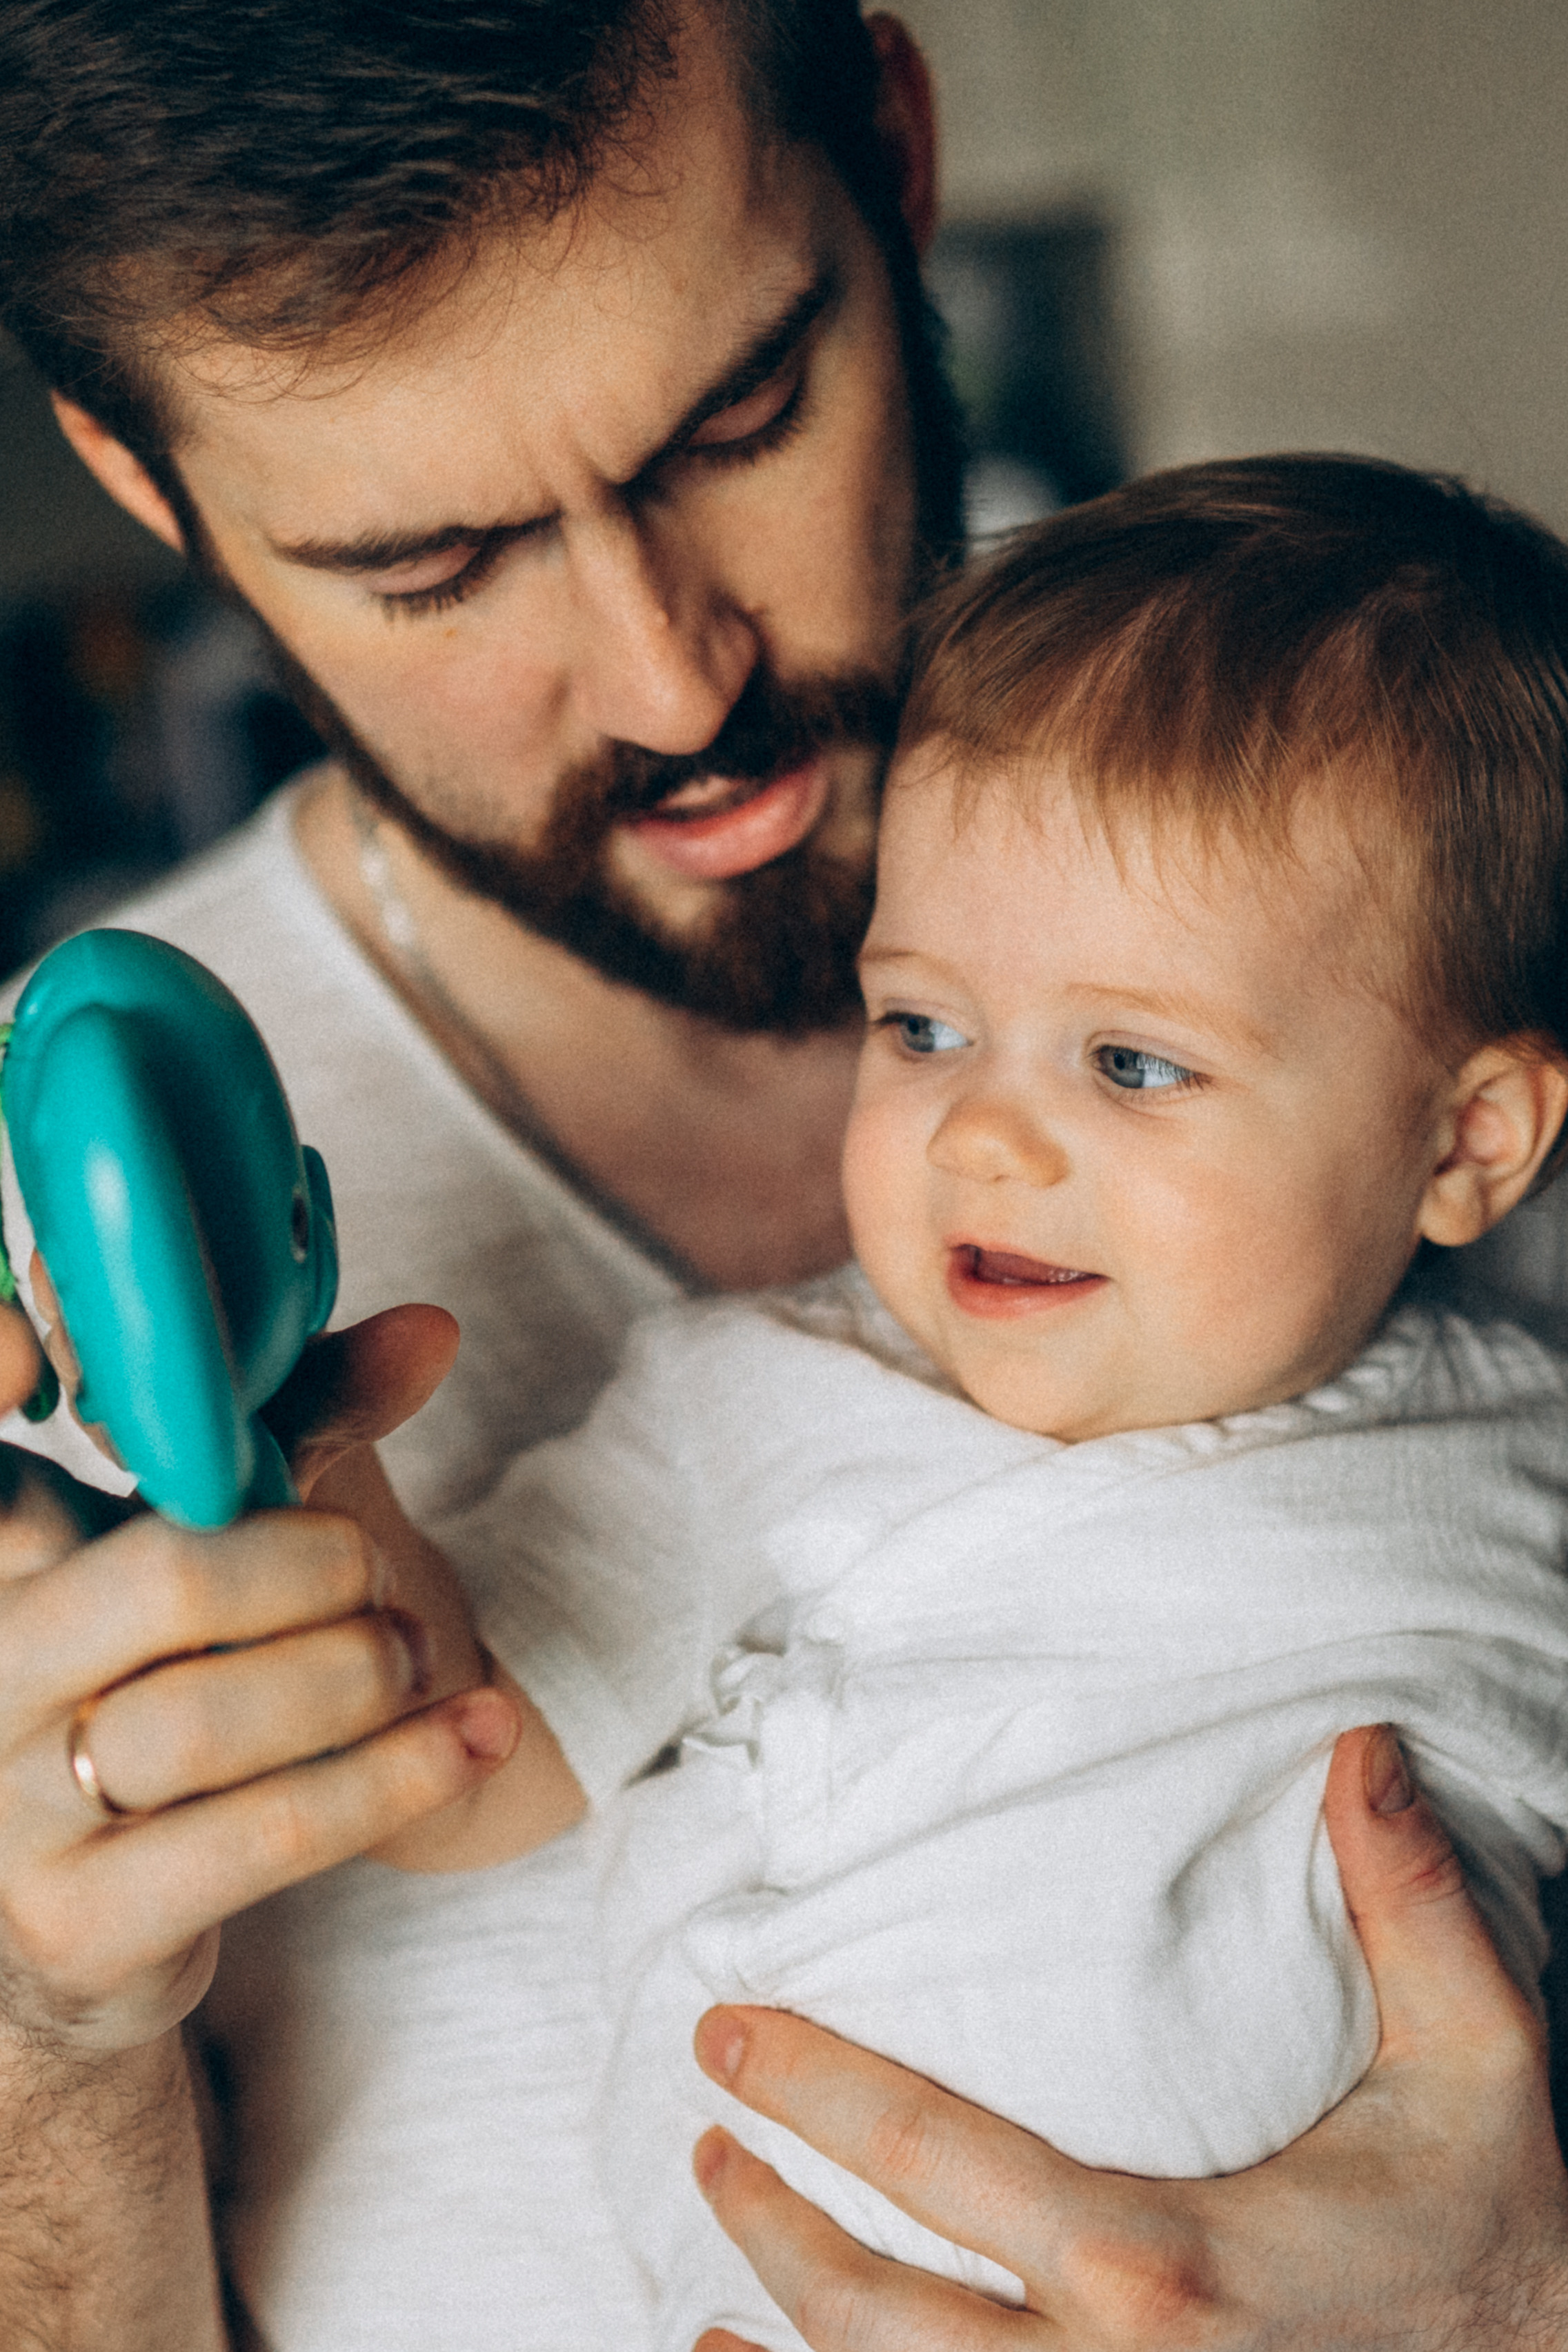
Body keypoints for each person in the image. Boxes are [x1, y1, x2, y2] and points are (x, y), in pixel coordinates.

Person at [0, 4, 1566, 2347]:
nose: (664, 678)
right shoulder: (81, 1290)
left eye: (739, 419)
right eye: (437, 563)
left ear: (895, 155)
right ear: (146, 482)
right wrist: (43, 2044)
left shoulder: (1418, 841)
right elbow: (469, 1710)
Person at [355, 455, 1568, 2351]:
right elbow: (458, 1769)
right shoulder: (760, 1401)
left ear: (1463, 1139)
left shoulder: (1520, 1460)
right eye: (917, 1023)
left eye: (1130, 1061)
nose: (979, 1129)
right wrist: (309, 1465)